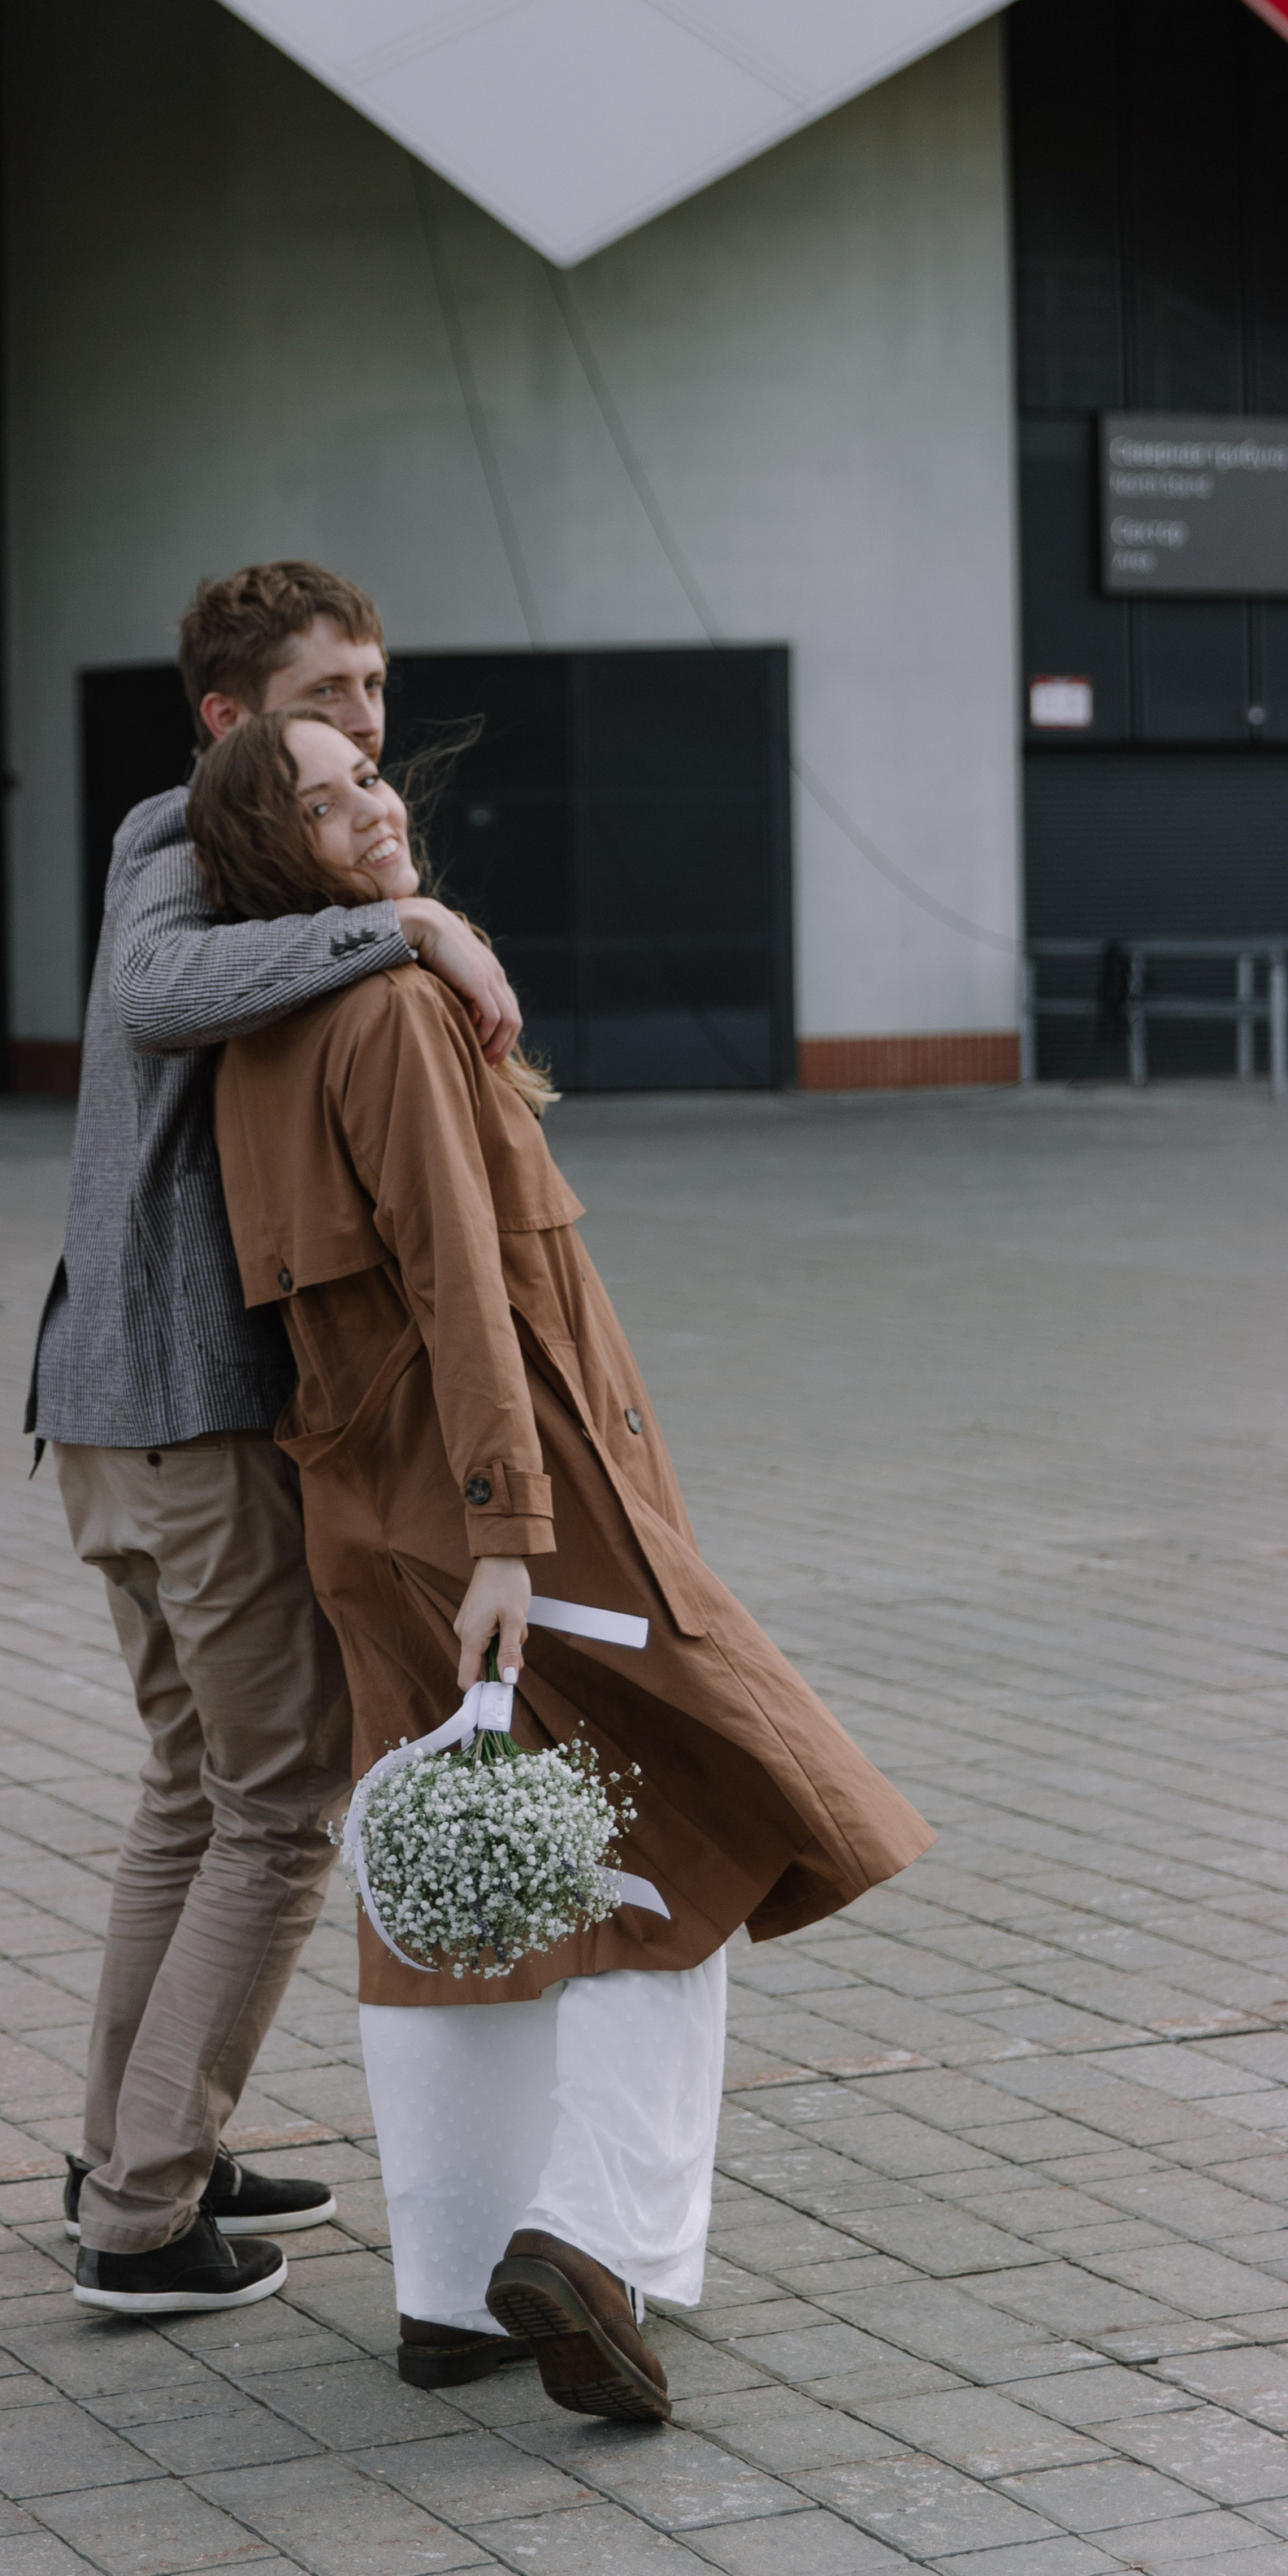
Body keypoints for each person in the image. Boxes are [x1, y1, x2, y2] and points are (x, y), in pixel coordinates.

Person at [183, 709, 936, 2420]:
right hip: (515, 1502)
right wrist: (514, 1530)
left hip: (369, 1505)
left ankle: (448, 2288)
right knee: (694, 1828)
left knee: (453, 1875)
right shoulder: (381, 1006)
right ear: (261, 851)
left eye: (367, 774)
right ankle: (589, 2239)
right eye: (321, 799)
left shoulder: (259, 1041)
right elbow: (458, 1278)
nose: (371, 805)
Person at [28, 559, 525, 2318]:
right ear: (234, 722)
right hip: (181, 1411)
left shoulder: (221, 849)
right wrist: (412, 923)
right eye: (331, 696)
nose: (371, 727)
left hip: (107, 1411)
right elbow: (162, 983)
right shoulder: (179, 832)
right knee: (279, 1808)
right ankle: (145, 2218)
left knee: (192, 1790)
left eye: (379, 688)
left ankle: (135, 2138)